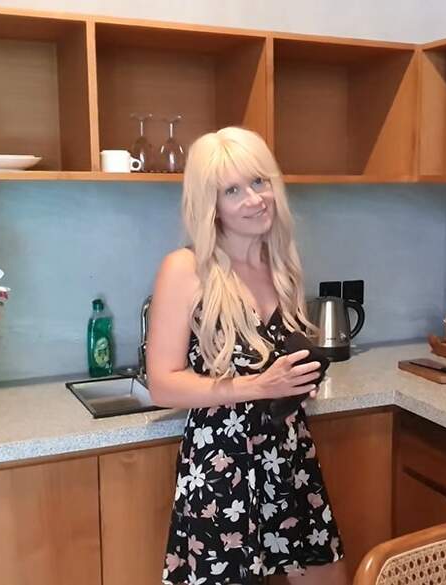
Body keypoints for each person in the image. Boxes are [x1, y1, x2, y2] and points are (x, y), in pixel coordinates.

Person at [146, 126, 348, 585]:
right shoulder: (186, 268)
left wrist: (297, 381)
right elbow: (162, 384)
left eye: (259, 182)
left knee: (328, 574)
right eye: (232, 190)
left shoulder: (281, 265)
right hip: (223, 461)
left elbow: (275, 361)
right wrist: (260, 385)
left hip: (289, 452)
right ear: (211, 205)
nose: (255, 199)